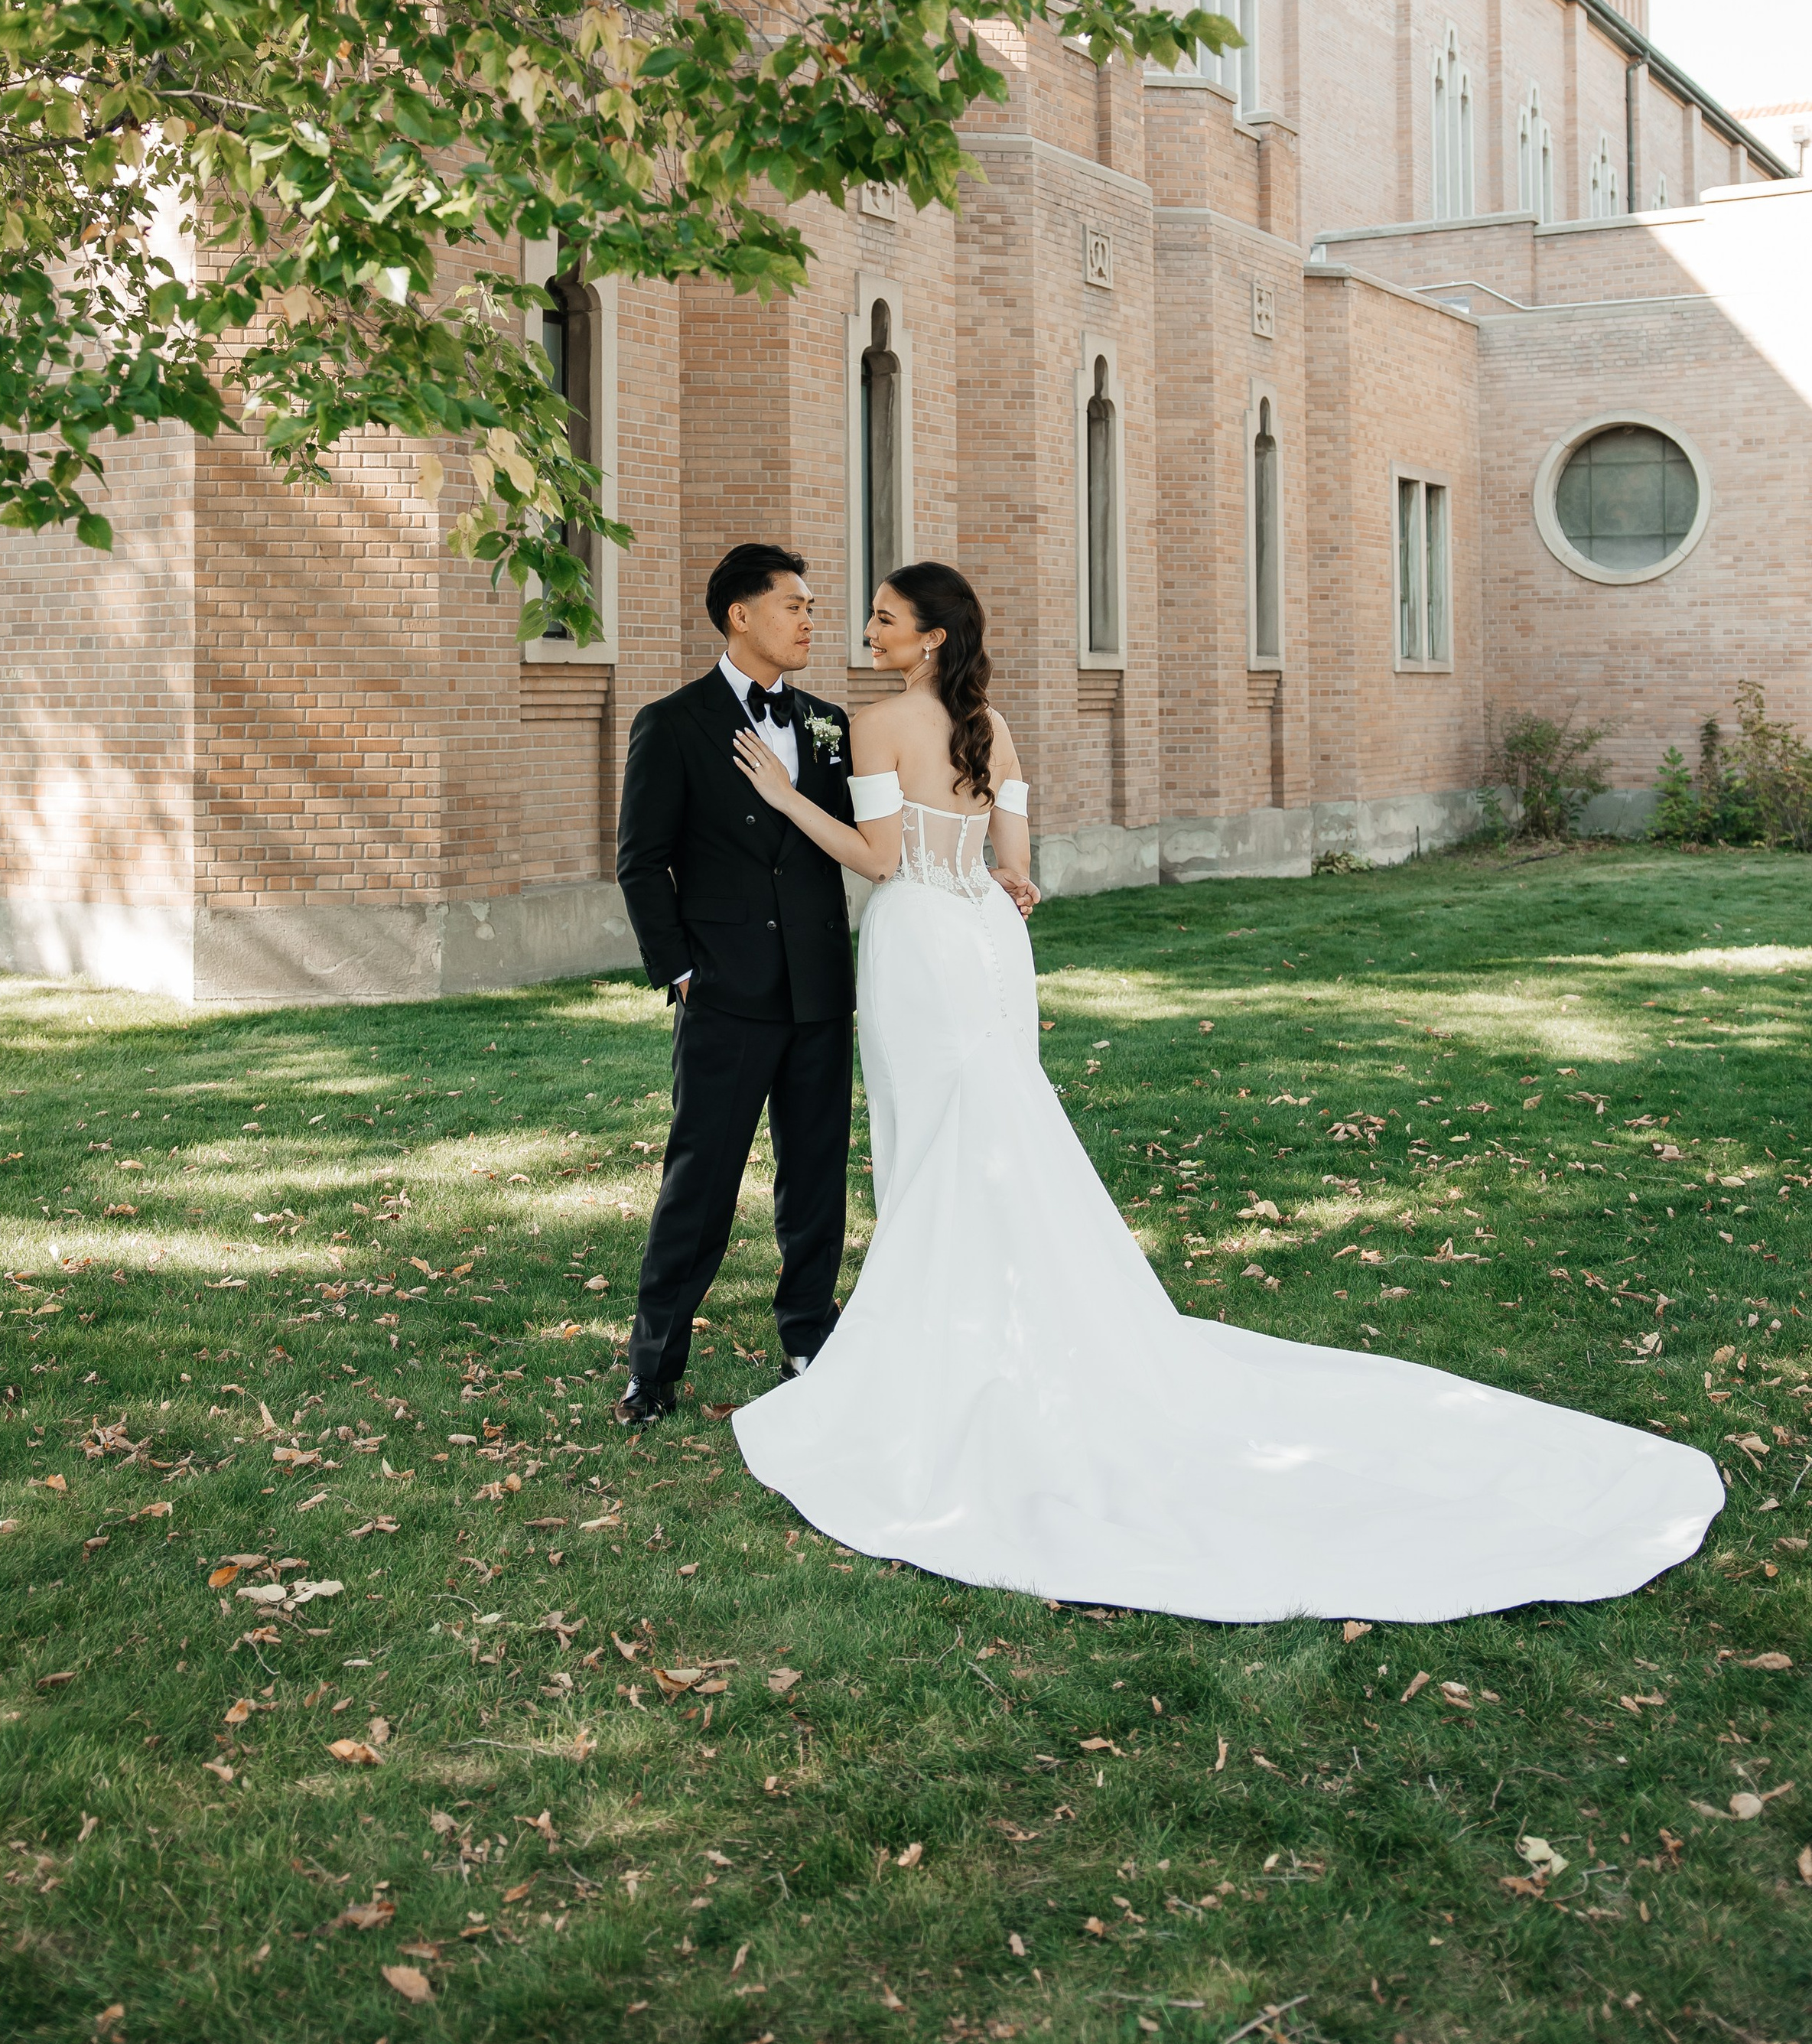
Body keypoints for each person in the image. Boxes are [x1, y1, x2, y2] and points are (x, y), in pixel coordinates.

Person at [726, 557, 1723, 1623]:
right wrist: (1002, 877)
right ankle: (997, 1321)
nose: (866, 630)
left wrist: (784, 798)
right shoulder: (991, 726)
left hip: (922, 943)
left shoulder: (879, 726)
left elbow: (880, 859)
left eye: (883, 619)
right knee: (993, 1127)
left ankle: (947, 1341)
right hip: (988, 941)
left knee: (935, 1139)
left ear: (930, 636)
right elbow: (1017, 863)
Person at [611, 544, 857, 1429]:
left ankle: (808, 1340)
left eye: (811, 606)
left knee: (816, 1180)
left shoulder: (829, 724)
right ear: (739, 615)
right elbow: (641, 863)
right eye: (794, 605)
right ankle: (653, 1368)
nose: (809, 620)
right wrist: (682, 972)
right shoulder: (673, 724)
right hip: (724, 994)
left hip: (820, 990)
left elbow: (861, 835)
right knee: (700, 1184)